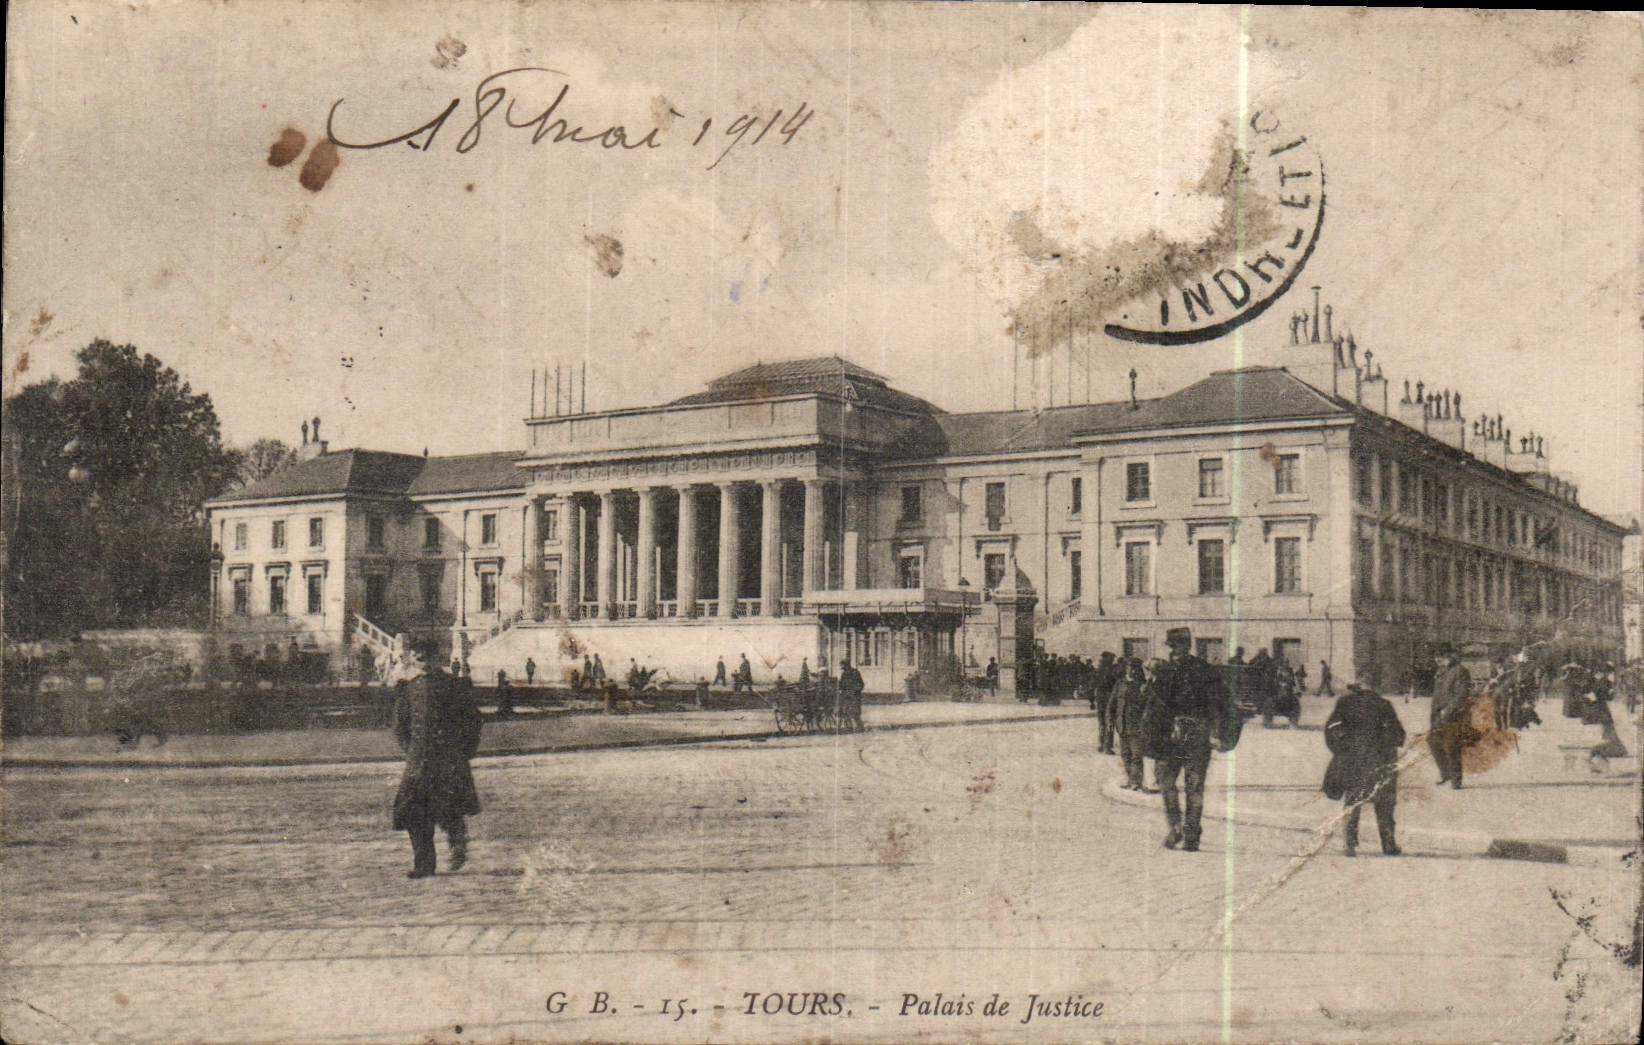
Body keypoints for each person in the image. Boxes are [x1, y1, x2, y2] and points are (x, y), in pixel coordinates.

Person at [391, 646, 483, 878]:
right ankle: (424, 864)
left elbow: (473, 719)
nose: (422, 661)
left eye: (426, 657)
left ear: (436, 658)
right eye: (417, 656)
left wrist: (464, 751)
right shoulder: (408, 689)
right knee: (413, 810)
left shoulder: (453, 685)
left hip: (447, 759)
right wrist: (411, 750)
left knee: (449, 808)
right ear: (411, 659)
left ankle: (457, 844)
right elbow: (400, 726)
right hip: (419, 760)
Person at [1145, 628, 1230, 852]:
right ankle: (1177, 828)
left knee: (1192, 785)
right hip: (1174, 735)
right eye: (1170, 647)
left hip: (1194, 733)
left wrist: (1216, 733)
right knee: (1167, 781)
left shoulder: (1199, 671)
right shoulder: (1167, 670)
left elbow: (1216, 704)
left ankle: (1190, 833)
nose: (1173, 651)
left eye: (1176, 646)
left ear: (1187, 646)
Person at [1324, 683, 1406, 857]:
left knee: (1353, 801)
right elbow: (1399, 734)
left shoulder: (1345, 703)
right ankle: (1388, 844)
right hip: (1381, 760)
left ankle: (1349, 844)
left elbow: (1331, 729)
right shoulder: (1384, 704)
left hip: (1354, 759)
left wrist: (1340, 750)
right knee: (1385, 803)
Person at [1429, 644, 1472, 789]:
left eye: (1441, 657)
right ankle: (1446, 773)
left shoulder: (1460, 671)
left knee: (1452, 746)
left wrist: (1447, 710)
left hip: (1454, 715)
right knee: (1433, 742)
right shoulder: (1442, 671)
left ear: (1450, 656)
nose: (1438, 660)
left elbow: (1462, 695)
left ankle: (1456, 780)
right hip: (1438, 714)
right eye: (1437, 658)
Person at [1112, 657, 1150, 791]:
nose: (1132, 670)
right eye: (1129, 667)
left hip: (1136, 725)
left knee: (1136, 755)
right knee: (1125, 754)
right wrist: (1110, 722)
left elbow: (1147, 706)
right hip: (1122, 724)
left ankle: (1136, 781)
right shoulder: (1120, 683)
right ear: (1126, 668)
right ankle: (1129, 778)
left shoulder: (1142, 685)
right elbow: (1113, 703)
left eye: (1134, 668)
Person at [1092, 651, 1118, 749]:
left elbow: (1092, 685)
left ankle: (1102, 743)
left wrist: (1092, 700)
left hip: (1100, 700)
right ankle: (1107, 744)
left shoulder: (1098, 670)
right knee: (1109, 721)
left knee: (1102, 722)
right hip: (1109, 700)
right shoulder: (1113, 671)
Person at [838, 657, 865, 731]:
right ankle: (849, 726)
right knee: (846, 711)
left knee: (855, 712)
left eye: (843, 666)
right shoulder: (843, 674)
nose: (842, 668)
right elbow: (841, 685)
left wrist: (855, 691)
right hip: (846, 695)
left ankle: (860, 726)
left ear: (847, 666)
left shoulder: (855, 672)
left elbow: (861, 684)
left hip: (854, 696)